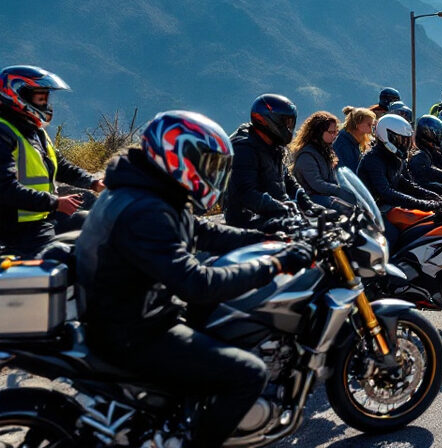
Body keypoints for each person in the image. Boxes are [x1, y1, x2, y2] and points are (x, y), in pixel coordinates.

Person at [76, 111, 312, 448]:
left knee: (224, 324)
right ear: (177, 157)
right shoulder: (147, 209)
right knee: (249, 373)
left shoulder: (148, 191)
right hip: (134, 331)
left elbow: (201, 231)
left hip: (130, 312)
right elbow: (198, 284)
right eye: (206, 164)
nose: (211, 174)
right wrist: (275, 264)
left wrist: (263, 238)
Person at [0, 65, 104, 257]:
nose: (45, 104)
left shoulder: (34, 131)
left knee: (92, 223)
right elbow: (5, 188)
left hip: (41, 220)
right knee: (78, 257)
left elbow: (61, 166)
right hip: (16, 231)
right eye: (41, 99)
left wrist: (94, 182)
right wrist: (55, 202)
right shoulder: (4, 133)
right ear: (17, 95)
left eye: (46, 99)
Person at [223, 94, 312, 232]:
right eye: (285, 122)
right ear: (266, 120)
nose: (288, 127)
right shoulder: (244, 148)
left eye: (290, 122)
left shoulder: (272, 145)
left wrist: (307, 203)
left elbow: (287, 179)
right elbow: (247, 193)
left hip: (276, 215)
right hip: (249, 222)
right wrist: (281, 207)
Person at [356, 115, 442, 234]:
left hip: (389, 207)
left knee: (427, 221)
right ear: (388, 136)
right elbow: (386, 192)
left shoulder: (394, 156)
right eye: (402, 140)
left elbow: (404, 182)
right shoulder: (373, 159)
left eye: (407, 140)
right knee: (395, 235)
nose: (405, 144)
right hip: (372, 211)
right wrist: (424, 204)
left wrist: (431, 195)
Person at [289, 111, 356, 210]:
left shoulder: (324, 151)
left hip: (324, 196)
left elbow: (332, 179)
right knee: (343, 208)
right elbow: (317, 184)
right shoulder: (307, 155)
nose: (334, 135)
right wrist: (338, 190)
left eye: (336, 132)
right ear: (319, 132)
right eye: (331, 132)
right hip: (308, 200)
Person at [333, 106, 374, 173]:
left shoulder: (354, 139)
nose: (371, 128)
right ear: (357, 123)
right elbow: (350, 171)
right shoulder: (343, 144)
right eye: (369, 124)